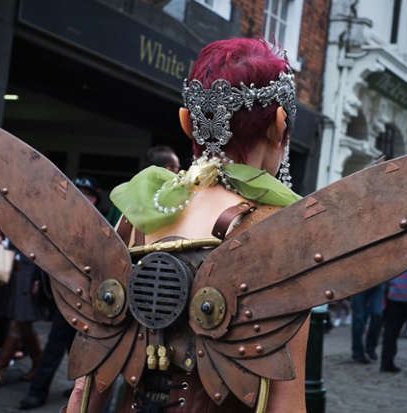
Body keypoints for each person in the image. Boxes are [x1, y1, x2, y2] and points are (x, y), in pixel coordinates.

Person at [66, 37, 307, 413]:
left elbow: (91, 370)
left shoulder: (143, 209)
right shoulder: (284, 231)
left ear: (186, 123)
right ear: (279, 125)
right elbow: (286, 400)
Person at [19, 175, 102, 410]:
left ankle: (73, 388)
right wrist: (38, 280)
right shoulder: (63, 221)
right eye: (81, 194)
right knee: (57, 344)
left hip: (88, 298)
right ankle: (38, 392)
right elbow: (45, 251)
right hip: (66, 295)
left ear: (95, 199)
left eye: (88, 195)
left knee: (77, 347)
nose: (84, 198)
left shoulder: (99, 226)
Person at [0, 233, 52, 386]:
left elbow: (41, 244)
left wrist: (39, 277)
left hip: (30, 273)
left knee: (18, 322)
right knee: (24, 325)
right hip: (20, 271)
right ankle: (37, 363)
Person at [106, 145, 180, 226]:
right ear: (168, 168)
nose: (179, 172)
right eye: (177, 167)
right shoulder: (170, 197)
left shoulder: (125, 192)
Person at [350, 283, 385, 363]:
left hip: (379, 279)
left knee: (377, 314)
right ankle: (358, 352)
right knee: (359, 318)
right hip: (359, 280)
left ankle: (371, 347)